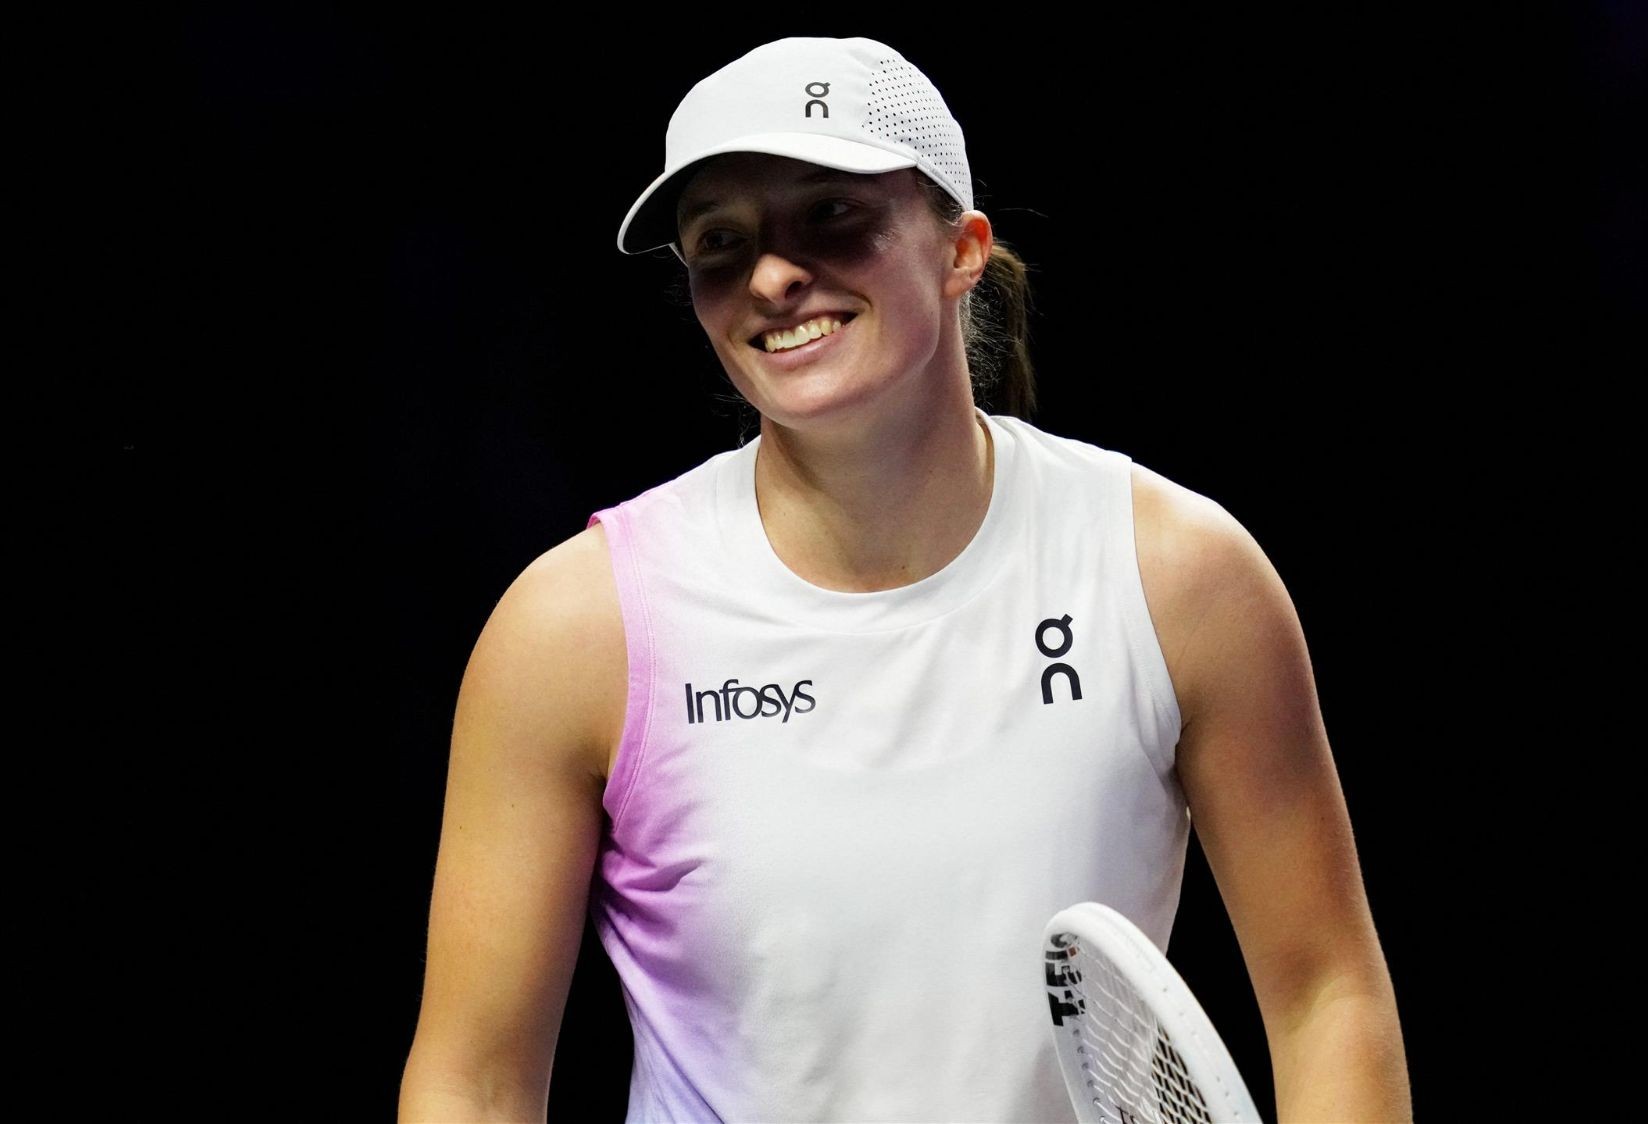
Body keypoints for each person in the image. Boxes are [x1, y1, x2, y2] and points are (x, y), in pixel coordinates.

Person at [398, 36, 1412, 1123]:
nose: (772, 277)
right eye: (720, 244)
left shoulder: (1177, 576)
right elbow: (475, 1081)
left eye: (831, 214)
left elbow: (1326, 997)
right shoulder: (575, 626)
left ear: (962, 249)